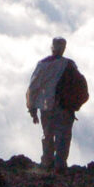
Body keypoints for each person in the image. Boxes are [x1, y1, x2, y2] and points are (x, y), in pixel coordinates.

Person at [26, 37, 85, 173]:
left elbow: (33, 87)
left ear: (52, 47)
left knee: (47, 134)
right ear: (64, 48)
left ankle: (47, 162)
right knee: (63, 135)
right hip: (64, 106)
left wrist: (31, 107)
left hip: (46, 105)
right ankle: (60, 164)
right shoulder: (69, 65)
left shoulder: (42, 64)